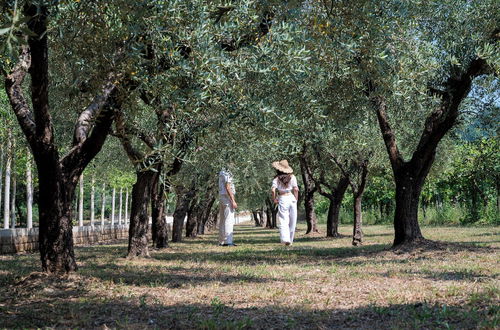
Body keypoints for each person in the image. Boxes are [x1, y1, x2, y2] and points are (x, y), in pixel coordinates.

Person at [271, 160, 299, 246]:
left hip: (282, 198)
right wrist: (296, 199)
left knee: (284, 220)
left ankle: (285, 239)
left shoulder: (276, 179)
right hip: (291, 198)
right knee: (293, 221)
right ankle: (290, 240)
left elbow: (272, 190)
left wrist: (274, 199)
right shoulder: (292, 177)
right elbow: (296, 189)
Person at [218, 168, 238, 246]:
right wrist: (233, 200)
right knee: (228, 220)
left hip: (222, 197)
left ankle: (221, 241)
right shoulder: (227, 172)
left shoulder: (221, 171)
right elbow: (228, 187)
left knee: (222, 220)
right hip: (227, 198)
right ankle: (228, 241)